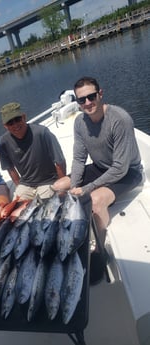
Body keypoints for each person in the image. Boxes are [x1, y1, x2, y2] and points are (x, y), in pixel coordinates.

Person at [53, 76, 143, 284]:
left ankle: (97, 252)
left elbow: (120, 168)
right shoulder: (79, 122)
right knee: (60, 186)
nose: (87, 103)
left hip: (129, 171)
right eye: (81, 100)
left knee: (95, 200)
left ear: (100, 94)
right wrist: (75, 186)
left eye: (91, 97)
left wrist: (86, 189)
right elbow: (78, 159)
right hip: (101, 166)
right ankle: (65, 228)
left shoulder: (119, 119)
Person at [0, 102, 70, 200]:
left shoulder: (42, 132)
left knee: (45, 208)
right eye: (10, 123)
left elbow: (60, 161)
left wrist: (61, 188)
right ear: (5, 126)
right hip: (26, 184)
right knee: (17, 210)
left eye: (17, 119)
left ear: (24, 117)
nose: (15, 125)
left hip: (48, 182)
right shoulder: (3, 142)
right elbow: (10, 168)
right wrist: (19, 186)